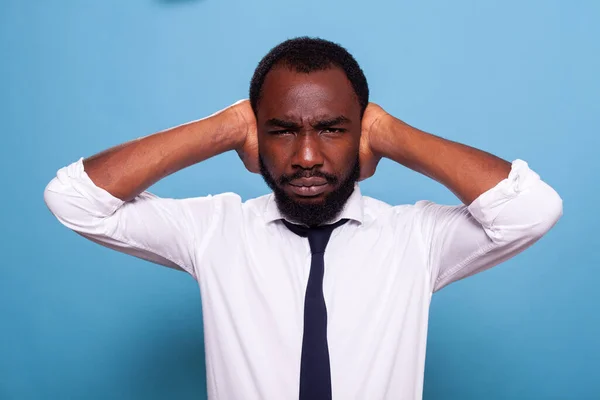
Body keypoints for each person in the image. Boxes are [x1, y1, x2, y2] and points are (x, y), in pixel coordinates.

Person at [44, 37, 563, 400]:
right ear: (257, 136)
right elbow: (75, 199)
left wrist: (391, 133)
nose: (308, 157)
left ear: (362, 133)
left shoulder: (417, 238)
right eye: (283, 130)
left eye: (334, 130)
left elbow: (531, 210)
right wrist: (225, 127)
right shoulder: (213, 231)